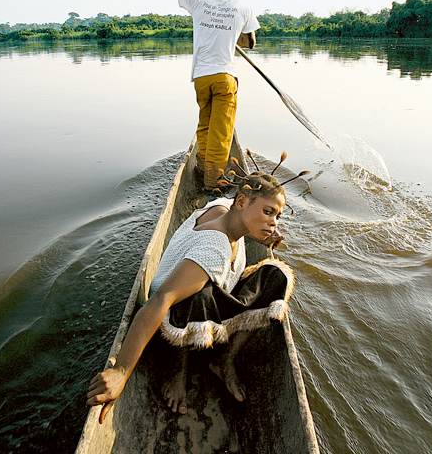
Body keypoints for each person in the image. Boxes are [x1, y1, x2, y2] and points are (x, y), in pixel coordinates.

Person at [86, 169, 294, 421]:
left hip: (188, 303)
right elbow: (161, 300)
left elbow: (240, 220)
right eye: (268, 212)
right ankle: (177, 368)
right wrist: (121, 369)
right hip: (171, 321)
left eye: (278, 216)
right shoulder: (214, 248)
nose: (274, 222)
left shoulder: (221, 208)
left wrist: (261, 235)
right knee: (202, 294)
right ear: (240, 202)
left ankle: (223, 362)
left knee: (277, 275)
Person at [134, 0, 260, 192]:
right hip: (224, 78)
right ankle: (213, 186)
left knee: (205, 126)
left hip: (201, 78)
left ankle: (202, 168)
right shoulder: (242, 8)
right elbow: (249, 43)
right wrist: (231, 37)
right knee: (221, 135)